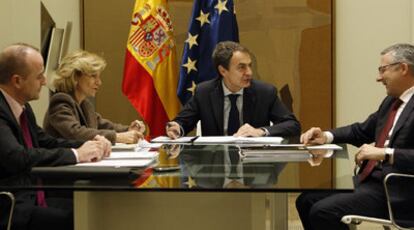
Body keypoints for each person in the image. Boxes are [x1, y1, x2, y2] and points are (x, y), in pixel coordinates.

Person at [296, 43, 414, 229]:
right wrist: (326, 136)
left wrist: (384, 153)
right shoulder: (392, 101)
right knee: (305, 200)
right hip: (370, 182)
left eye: (383, 70)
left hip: (399, 191)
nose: (379, 77)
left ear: (403, 68)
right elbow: (361, 130)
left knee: (323, 211)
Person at [0, 43, 111, 230]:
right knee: (83, 219)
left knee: (98, 208)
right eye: (39, 76)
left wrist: (90, 144)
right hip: (12, 206)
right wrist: (77, 154)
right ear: (17, 81)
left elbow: (46, 141)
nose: (44, 81)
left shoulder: (23, 108)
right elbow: (16, 157)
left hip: (33, 195)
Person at [166, 41, 301, 138]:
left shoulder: (265, 92)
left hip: (254, 169)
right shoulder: (204, 92)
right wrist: (177, 128)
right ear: (223, 71)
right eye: (241, 67)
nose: (249, 72)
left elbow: (292, 125)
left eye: (249, 66)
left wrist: (261, 131)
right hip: (215, 169)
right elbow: (182, 122)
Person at [43, 50, 145, 144]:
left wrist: (128, 130)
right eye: (93, 76)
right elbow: (75, 133)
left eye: (98, 76)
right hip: (62, 163)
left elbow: (103, 125)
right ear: (75, 77)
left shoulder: (84, 104)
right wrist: (117, 137)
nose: (99, 82)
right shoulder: (60, 101)